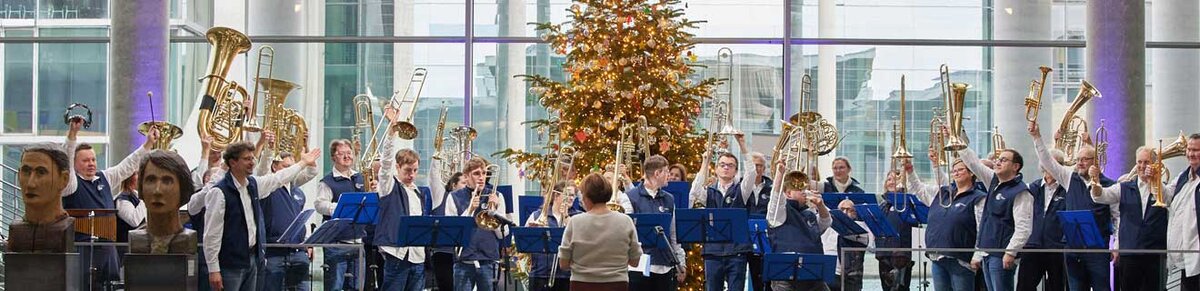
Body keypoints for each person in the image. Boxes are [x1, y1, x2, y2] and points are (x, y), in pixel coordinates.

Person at [203, 141, 320, 291]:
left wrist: (303, 163)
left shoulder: (253, 184)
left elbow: (278, 178)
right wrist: (213, 269)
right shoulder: (219, 192)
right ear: (232, 162)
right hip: (230, 263)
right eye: (246, 159)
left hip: (252, 259)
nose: (252, 162)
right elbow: (211, 234)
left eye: (252, 158)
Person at [62, 117, 157, 290]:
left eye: (93, 159)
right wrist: (72, 135)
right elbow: (67, 159)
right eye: (85, 160)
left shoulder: (105, 177)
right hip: (82, 251)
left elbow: (128, 165)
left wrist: (148, 144)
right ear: (75, 165)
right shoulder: (71, 184)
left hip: (108, 249)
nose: (91, 164)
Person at [1028, 121, 1116, 291]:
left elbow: (1117, 217)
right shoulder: (1070, 179)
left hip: (1097, 250)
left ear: (1095, 160)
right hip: (1072, 248)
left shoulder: (1110, 185)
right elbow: (1048, 162)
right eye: (1078, 159)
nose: (1080, 163)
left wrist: (1116, 246)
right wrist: (1037, 137)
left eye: (1084, 159)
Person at [374, 108, 447, 291]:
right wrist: (392, 132)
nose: (412, 175)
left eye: (415, 170)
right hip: (397, 254)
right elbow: (386, 164)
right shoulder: (389, 186)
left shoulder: (418, 192)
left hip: (417, 255)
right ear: (398, 167)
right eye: (408, 170)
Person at [954, 129, 1033, 291]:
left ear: (1015, 166)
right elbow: (973, 163)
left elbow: (1024, 228)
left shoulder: (1021, 192)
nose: (997, 162)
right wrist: (957, 138)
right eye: (998, 159)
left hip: (1002, 253)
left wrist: (1010, 252)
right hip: (987, 252)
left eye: (1003, 160)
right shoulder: (994, 182)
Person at [1087, 146, 1168, 291]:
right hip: (1130, 254)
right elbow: (1101, 196)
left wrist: (1155, 181)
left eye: (1147, 162)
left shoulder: (1163, 189)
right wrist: (1095, 182)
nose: (1142, 166)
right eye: (1139, 162)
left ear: (1155, 164)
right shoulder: (1123, 187)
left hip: (1155, 255)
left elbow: (1169, 200)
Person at [906, 149, 986, 291]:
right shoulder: (944, 194)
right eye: (954, 170)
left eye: (960, 170)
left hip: (961, 259)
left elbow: (982, 228)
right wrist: (910, 171)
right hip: (937, 256)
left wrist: (978, 255)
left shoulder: (978, 197)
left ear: (971, 173)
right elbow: (919, 190)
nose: (956, 173)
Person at [688, 136, 755, 291]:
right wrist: (705, 162)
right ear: (716, 169)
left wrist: (742, 145)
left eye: (730, 166)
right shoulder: (709, 192)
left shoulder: (741, 191)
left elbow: (751, 173)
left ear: (735, 171)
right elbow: (695, 191)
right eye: (722, 165)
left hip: (736, 251)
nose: (726, 168)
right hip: (713, 251)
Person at [558, 173, 641, 291]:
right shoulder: (626, 221)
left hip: (581, 285)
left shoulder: (575, 222)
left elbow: (563, 264)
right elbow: (635, 261)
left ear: (586, 197)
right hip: (617, 284)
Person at [255, 143, 320, 291]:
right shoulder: (268, 186)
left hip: (297, 252)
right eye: (286, 167)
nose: (291, 171)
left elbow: (311, 171)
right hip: (274, 252)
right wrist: (269, 149)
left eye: (292, 166)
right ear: (274, 167)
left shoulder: (295, 189)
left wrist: (306, 242)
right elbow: (262, 171)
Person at [620, 155, 687, 290]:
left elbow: (673, 234)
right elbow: (626, 234)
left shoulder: (669, 199)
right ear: (657, 173)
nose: (668, 175)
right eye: (666, 172)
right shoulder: (630, 197)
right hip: (638, 267)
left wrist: (681, 261)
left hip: (664, 266)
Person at [766, 160, 832, 291]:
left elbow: (826, 222)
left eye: (804, 188)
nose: (804, 191)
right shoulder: (780, 214)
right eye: (798, 188)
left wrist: (820, 205)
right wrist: (780, 174)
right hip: (785, 277)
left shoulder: (809, 214)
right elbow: (775, 200)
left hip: (813, 274)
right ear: (788, 193)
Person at [446, 157, 508, 291]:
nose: (481, 177)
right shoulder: (454, 197)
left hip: (489, 259)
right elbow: (452, 230)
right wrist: (470, 210)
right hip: (464, 259)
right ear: (466, 176)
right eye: (476, 173)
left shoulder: (496, 196)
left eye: (484, 173)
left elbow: (503, 234)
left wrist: (494, 211)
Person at [314, 139, 367, 291]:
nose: (346, 156)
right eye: (341, 153)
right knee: (334, 287)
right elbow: (319, 204)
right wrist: (341, 207)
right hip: (336, 243)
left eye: (349, 153)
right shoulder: (327, 181)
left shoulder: (360, 178)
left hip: (358, 241)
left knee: (357, 287)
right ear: (333, 157)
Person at [9, 142, 78, 253]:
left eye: (41, 172)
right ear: (18, 174)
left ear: (64, 179)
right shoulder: (16, 230)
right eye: (26, 171)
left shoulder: (64, 229)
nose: (31, 183)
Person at [811, 157, 868, 291]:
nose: (838, 170)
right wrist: (811, 156)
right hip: (831, 246)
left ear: (849, 169)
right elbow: (808, 182)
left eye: (841, 167)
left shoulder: (858, 192)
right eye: (835, 168)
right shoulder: (825, 186)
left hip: (850, 257)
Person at [128, 150, 198, 254]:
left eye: (167, 181)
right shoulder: (136, 239)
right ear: (141, 188)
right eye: (151, 180)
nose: (157, 190)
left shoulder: (187, 239)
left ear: (183, 189)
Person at [1017, 150, 1069, 291]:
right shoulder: (1032, 188)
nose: (1051, 167)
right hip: (1032, 246)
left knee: (1056, 286)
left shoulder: (1067, 189)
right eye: (1048, 163)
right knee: (1024, 286)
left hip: (1056, 247)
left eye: (1055, 164)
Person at [1165, 133, 1200, 291]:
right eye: (1189, 149)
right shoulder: (1182, 177)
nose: (1191, 154)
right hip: (1184, 258)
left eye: (1196, 150)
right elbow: (1166, 197)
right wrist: (1152, 180)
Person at [527, 181, 576, 291]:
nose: (571, 198)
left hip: (567, 275)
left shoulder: (577, 217)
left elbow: (579, 238)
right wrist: (533, 232)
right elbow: (526, 241)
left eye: (573, 195)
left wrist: (566, 217)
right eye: (568, 194)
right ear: (556, 195)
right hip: (540, 274)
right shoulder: (537, 215)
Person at [877, 168, 916, 291]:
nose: (891, 182)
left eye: (895, 179)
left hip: (901, 256)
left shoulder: (906, 203)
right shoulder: (883, 205)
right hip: (884, 255)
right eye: (889, 179)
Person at [430, 171, 466, 291]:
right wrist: (437, 156)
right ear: (453, 185)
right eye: (463, 183)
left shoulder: (469, 201)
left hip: (462, 255)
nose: (466, 186)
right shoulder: (441, 196)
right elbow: (434, 178)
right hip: (443, 252)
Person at [744, 152, 772, 291]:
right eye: (754, 166)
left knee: (766, 277)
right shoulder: (742, 186)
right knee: (752, 276)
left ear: (764, 168)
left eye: (760, 166)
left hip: (766, 237)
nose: (757, 169)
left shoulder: (771, 187)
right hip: (745, 237)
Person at [115, 173, 146, 260]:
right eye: (137, 173)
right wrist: (145, 198)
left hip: (138, 246)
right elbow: (134, 221)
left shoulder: (135, 196)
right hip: (125, 248)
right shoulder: (122, 200)